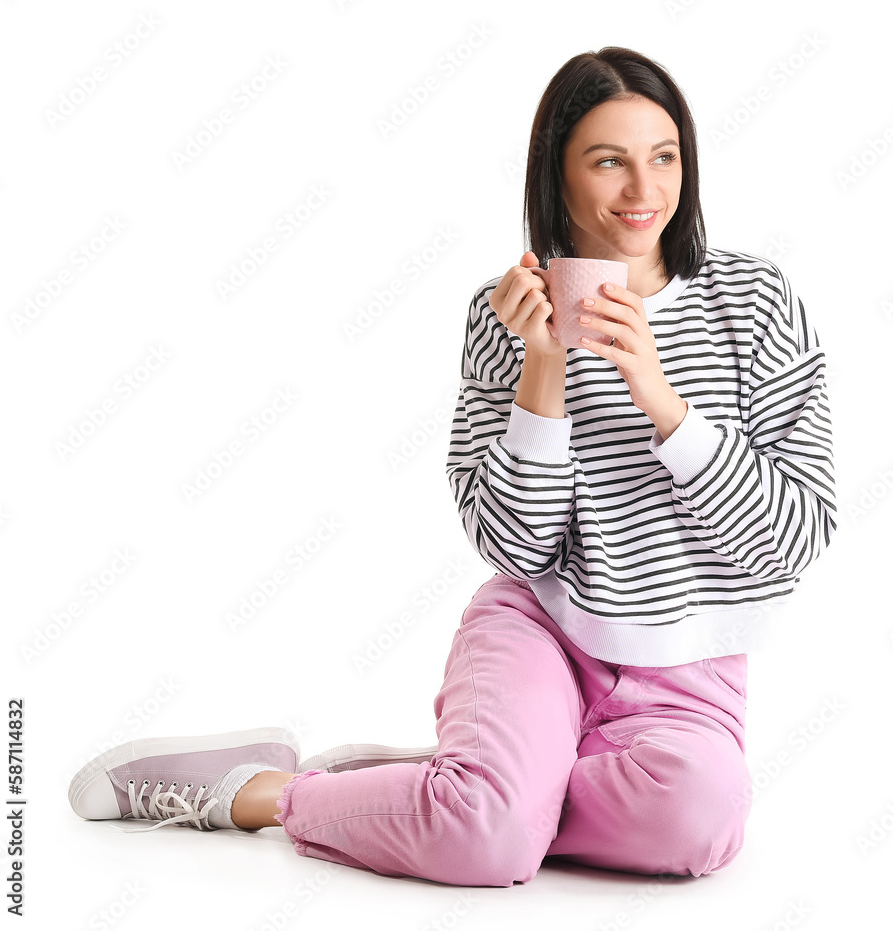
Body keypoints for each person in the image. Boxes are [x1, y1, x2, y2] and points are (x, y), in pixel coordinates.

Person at [68, 46, 837, 888]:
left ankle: (465, 786)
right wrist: (541, 367)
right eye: (608, 161)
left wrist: (661, 399)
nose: (642, 190)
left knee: (695, 825)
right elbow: (514, 548)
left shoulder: (757, 302)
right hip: (542, 629)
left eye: (663, 158)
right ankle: (254, 792)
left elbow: (793, 540)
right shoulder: (500, 313)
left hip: (688, 670)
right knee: (487, 840)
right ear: (558, 174)